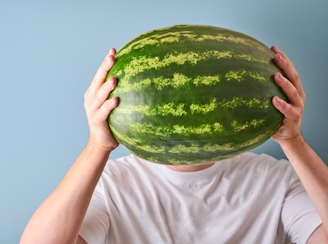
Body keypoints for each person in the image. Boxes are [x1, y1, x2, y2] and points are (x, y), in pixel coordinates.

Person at [20, 46, 328, 243]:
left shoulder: (277, 180)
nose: (192, 106)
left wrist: (294, 141)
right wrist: (96, 147)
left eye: (206, 94)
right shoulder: (111, 185)